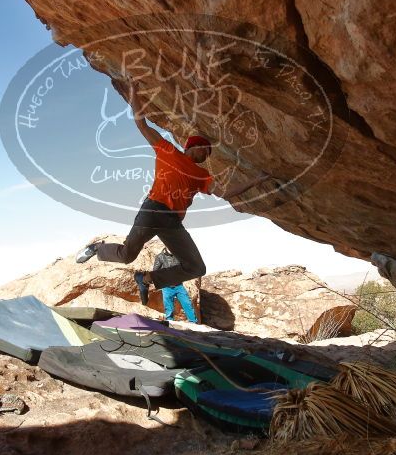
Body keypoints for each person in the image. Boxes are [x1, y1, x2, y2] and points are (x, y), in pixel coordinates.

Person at [76, 87, 269, 305]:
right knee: (127, 255)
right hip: (152, 210)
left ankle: (146, 278)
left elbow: (225, 193)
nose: (206, 156)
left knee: (196, 267)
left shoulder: (201, 175)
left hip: (172, 223)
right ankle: (97, 248)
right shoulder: (167, 150)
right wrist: (134, 90)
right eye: (205, 150)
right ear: (193, 147)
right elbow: (141, 123)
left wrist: (256, 181)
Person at [153, 248, 198, 323]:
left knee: (187, 303)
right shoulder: (160, 257)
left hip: (179, 285)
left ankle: (193, 321)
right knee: (168, 307)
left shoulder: (179, 255)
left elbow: (185, 268)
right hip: (166, 286)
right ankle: (170, 321)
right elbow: (155, 271)